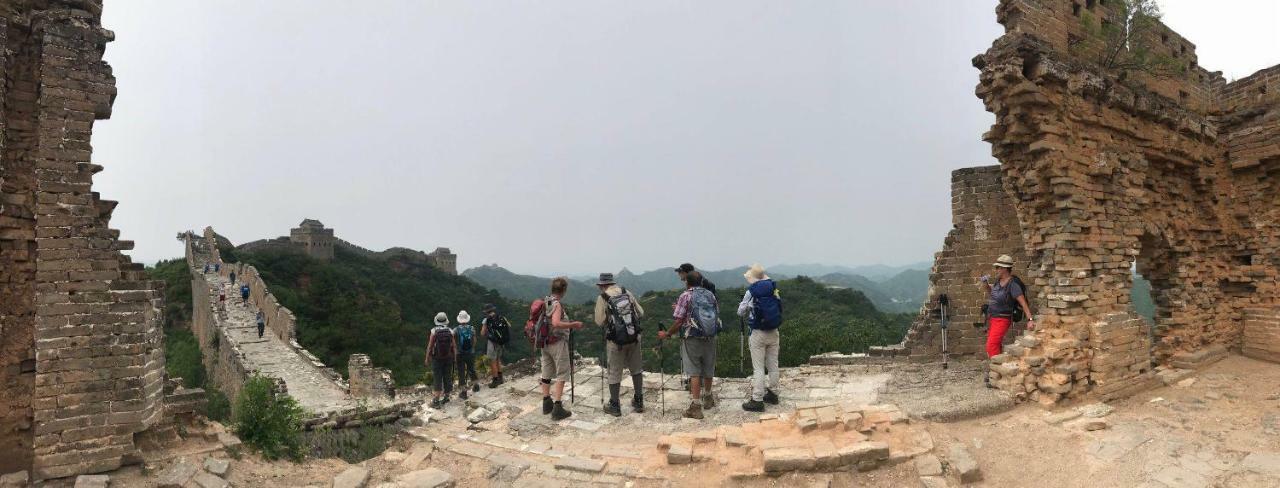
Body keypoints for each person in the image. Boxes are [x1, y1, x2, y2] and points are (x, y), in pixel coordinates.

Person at [658, 271, 719, 419]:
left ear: (687, 282)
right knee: (708, 367)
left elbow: (679, 321)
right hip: (710, 336)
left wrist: (667, 334)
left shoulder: (685, 296)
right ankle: (709, 398)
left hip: (692, 337)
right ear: (701, 281)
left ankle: (696, 406)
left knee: (694, 371)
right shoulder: (710, 295)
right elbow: (716, 314)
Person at [593, 273, 646, 416]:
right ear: (612, 282)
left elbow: (599, 321)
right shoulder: (626, 292)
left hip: (616, 341)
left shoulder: (603, 297)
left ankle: (615, 405)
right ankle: (639, 400)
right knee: (636, 369)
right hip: (633, 337)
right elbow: (640, 312)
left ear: (602, 285)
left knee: (614, 371)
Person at [980, 254, 1036, 387]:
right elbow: (993, 294)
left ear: (1005, 269)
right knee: (996, 345)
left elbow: (1023, 303)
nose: (996, 269)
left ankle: (996, 372)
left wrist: (1030, 319)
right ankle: (999, 374)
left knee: (991, 345)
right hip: (992, 318)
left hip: (1002, 319)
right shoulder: (999, 282)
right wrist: (986, 285)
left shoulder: (1013, 284)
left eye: (998, 267)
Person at [737, 264, 783, 412]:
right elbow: (779, 305)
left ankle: (757, 399)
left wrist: (748, 308)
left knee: (758, 368)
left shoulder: (751, 292)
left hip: (758, 333)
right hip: (774, 330)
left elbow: (740, 311)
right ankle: (773, 393)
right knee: (773, 364)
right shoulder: (773, 288)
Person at [539, 277, 583, 421]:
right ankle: (557, 407)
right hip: (557, 342)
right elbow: (556, 323)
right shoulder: (556, 305)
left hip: (544, 342)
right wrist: (573, 324)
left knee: (546, 371)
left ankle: (546, 403)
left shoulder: (546, 301)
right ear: (563, 290)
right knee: (562, 372)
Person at [425, 312, 457, 408]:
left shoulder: (434, 331)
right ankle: (446, 397)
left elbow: (430, 346)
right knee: (447, 376)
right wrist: (455, 357)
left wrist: (427, 358)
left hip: (437, 358)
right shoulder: (450, 331)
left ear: (437, 320)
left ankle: (436, 401)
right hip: (448, 357)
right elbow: (454, 346)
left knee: (437, 378)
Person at [479, 303, 511, 388]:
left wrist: (489, 334)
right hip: (501, 343)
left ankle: (495, 380)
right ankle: (501, 378)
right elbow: (509, 326)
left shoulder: (486, 320)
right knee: (498, 359)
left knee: (492, 361)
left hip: (492, 343)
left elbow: (482, 333)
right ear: (493, 310)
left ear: (486, 312)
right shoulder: (501, 317)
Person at [454, 311, 480, 399]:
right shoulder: (472, 328)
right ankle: (476, 385)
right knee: (471, 368)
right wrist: (472, 348)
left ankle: (463, 392)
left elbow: (453, 343)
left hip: (459, 353)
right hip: (470, 352)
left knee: (461, 372)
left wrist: (455, 351)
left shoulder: (456, 330)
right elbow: (475, 340)